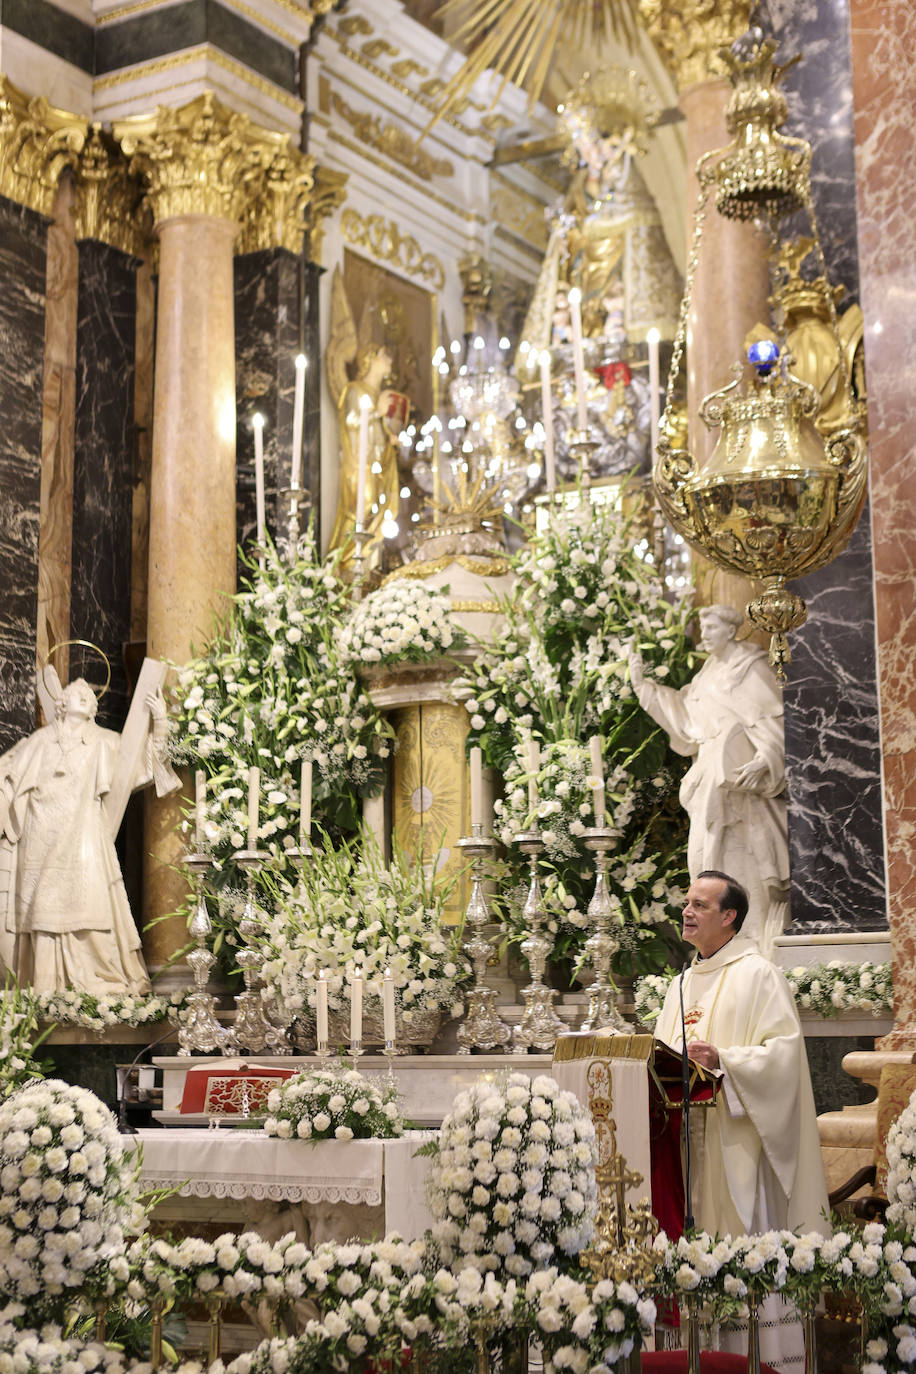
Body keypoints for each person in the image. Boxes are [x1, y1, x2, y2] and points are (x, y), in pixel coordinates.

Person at [654, 871, 829, 1369]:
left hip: (738, 1144)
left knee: (740, 1248)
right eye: (686, 903)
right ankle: (696, 1359)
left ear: (729, 917)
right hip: (688, 1146)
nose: (686, 912)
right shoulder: (681, 983)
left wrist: (726, 1061)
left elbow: (785, 1055)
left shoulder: (759, 974)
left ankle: (758, 1362)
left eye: (700, 906)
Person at [628, 604, 790, 956]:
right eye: (703, 627)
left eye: (712, 626)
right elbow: (687, 722)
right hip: (708, 786)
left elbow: (774, 723)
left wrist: (765, 758)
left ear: (731, 630)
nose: (705, 634)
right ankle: (722, 956)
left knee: (746, 871)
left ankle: (757, 957)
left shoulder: (751, 668)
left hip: (744, 791)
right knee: (709, 867)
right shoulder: (706, 676)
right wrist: (647, 690)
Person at [0, 677, 174, 996]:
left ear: (94, 709)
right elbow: (7, 777)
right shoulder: (38, 742)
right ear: (61, 702)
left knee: (89, 898)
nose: (82, 693)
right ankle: (44, 982)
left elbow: (145, 764)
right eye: (75, 692)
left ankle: (92, 975)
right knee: (41, 905)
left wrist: (160, 723)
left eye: (88, 695)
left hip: (82, 833)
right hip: (40, 834)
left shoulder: (103, 741)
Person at [328, 344, 401, 572]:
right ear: (369, 358)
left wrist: (391, 440)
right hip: (361, 468)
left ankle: (370, 569)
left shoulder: (378, 396)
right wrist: (376, 412)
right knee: (363, 510)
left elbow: (378, 437)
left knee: (381, 516)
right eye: (383, 355)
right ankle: (346, 564)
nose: (389, 359)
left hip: (380, 468)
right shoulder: (354, 390)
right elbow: (351, 420)